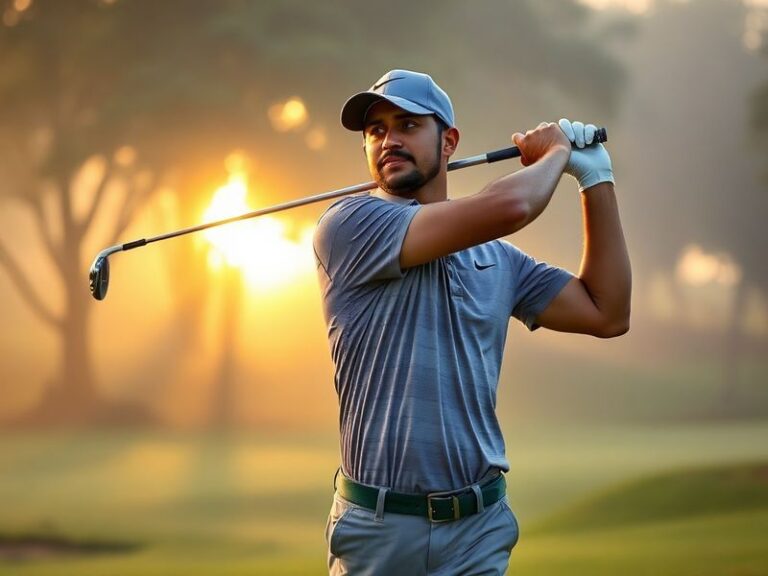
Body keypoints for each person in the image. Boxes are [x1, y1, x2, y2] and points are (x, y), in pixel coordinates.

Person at [312, 69, 631, 575]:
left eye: (408, 124)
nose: (389, 139)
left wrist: (595, 179)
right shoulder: (349, 226)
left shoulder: (497, 259)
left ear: (449, 142)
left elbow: (607, 311)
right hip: (380, 530)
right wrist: (555, 155)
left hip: (478, 531)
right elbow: (510, 204)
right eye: (375, 130)